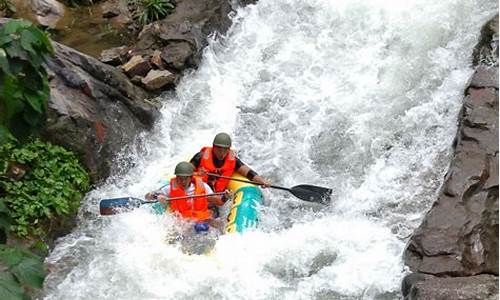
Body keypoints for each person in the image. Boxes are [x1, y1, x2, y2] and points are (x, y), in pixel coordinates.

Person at [145, 161, 231, 231]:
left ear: (190, 177)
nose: (182, 181)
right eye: (180, 178)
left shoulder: (203, 187)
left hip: (201, 219)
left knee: (207, 226)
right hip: (182, 222)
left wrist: (226, 197)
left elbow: (219, 202)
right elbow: (147, 196)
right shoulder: (169, 189)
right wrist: (157, 197)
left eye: (185, 178)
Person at [190, 132, 271, 192]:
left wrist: (262, 181)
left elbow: (249, 173)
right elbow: (184, 174)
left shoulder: (233, 160)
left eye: (225, 149)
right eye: (219, 149)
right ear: (213, 147)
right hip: (199, 191)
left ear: (229, 149)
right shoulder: (200, 156)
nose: (222, 153)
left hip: (217, 195)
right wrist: (197, 174)